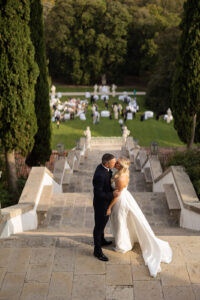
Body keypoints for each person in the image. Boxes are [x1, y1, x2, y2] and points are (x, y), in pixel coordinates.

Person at [106, 157, 172, 277]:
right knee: (123, 222)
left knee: (120, 222)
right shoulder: (122, 173)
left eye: (117, 162)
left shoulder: (121, 178)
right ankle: (126, 240)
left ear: (120, 166)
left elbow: (117, 195)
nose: (115, 163)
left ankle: (123, 245)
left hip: (120, 201)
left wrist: (109, 207)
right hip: (124, 198)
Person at [93, 153, 120, 261]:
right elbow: (98, 193)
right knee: (98, 227)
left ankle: (102, 240)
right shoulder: (100, 175)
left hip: (104, 203)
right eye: (113, 162)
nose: (115, 163)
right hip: (101, 205)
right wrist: (112, 195)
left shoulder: (103, 168)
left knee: (102, 224)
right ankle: (97, 251)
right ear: (107, 163)